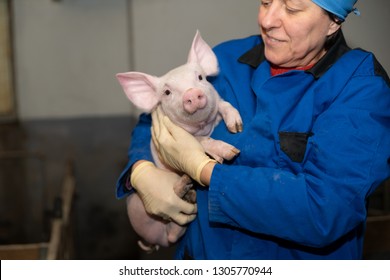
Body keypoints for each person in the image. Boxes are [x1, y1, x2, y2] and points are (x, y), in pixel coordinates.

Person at [116, 0, 390, 259]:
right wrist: (141, 171)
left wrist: (204, 170)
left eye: (292, 8)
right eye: (265, 2)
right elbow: (153, 117)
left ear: (333, 21)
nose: (267, 20)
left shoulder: (360, 89)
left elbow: (324, 210)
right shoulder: (228, 59)